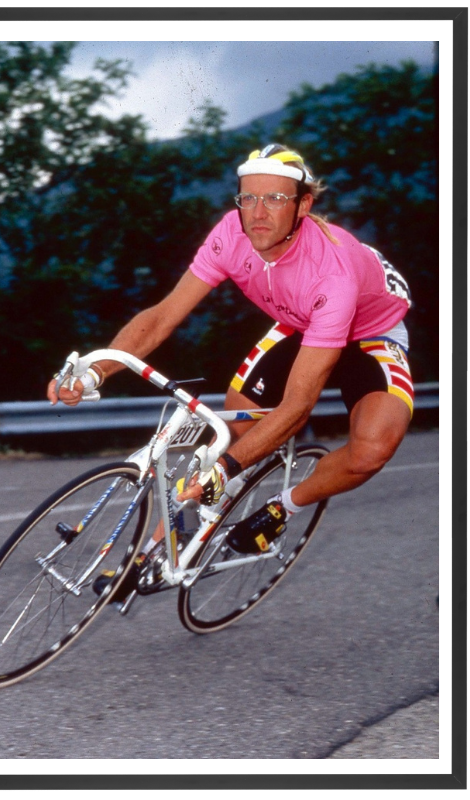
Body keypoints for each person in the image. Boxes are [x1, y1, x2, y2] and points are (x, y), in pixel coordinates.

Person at [47, 143, 413, 595]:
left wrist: (225, 468)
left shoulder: (330, 273)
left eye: (276, 198)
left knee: (372, 450)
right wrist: (95, 371)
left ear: (303, 205)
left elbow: (299, 407)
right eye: (249, 198)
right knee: (231, 442)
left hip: (368, 331)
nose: (258, 212)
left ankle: (284, 506)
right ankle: (150, 555)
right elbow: (162, 317)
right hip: (302, 322)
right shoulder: (230, 234)